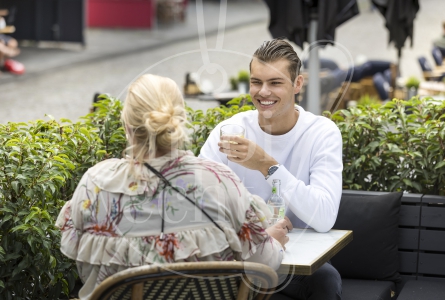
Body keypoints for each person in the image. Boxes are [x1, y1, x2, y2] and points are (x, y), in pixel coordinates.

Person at [56, 74, 292, 300]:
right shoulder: (220, 181)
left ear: (127, 126)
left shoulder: (95, 185)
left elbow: (83, 265)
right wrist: (271, 241)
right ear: (180, 121)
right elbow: (263, 266)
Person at [199, 38, 343, 299]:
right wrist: (260, 237)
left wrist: (267, 164)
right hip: (239, 260)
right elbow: (198, 205)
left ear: (298, 84)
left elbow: (323, 218)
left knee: (325, 280)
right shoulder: (228, 132)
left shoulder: (321, 133)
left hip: (298, 262)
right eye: (257, 82)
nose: (263, 92)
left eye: (275, 83)